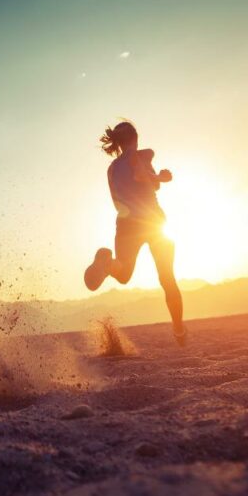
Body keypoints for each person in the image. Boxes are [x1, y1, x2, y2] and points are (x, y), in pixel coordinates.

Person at [83, 120, 186, 345]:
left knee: (123, 273)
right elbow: (145, 179)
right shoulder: (141, 156)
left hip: (126, 222)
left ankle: (107, 264)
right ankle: (178, 329)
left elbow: (116, 199)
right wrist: (162, 177)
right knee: (167, 278)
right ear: (135, 138)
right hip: (152, 221)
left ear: (117, 143)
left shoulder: (111, 169)